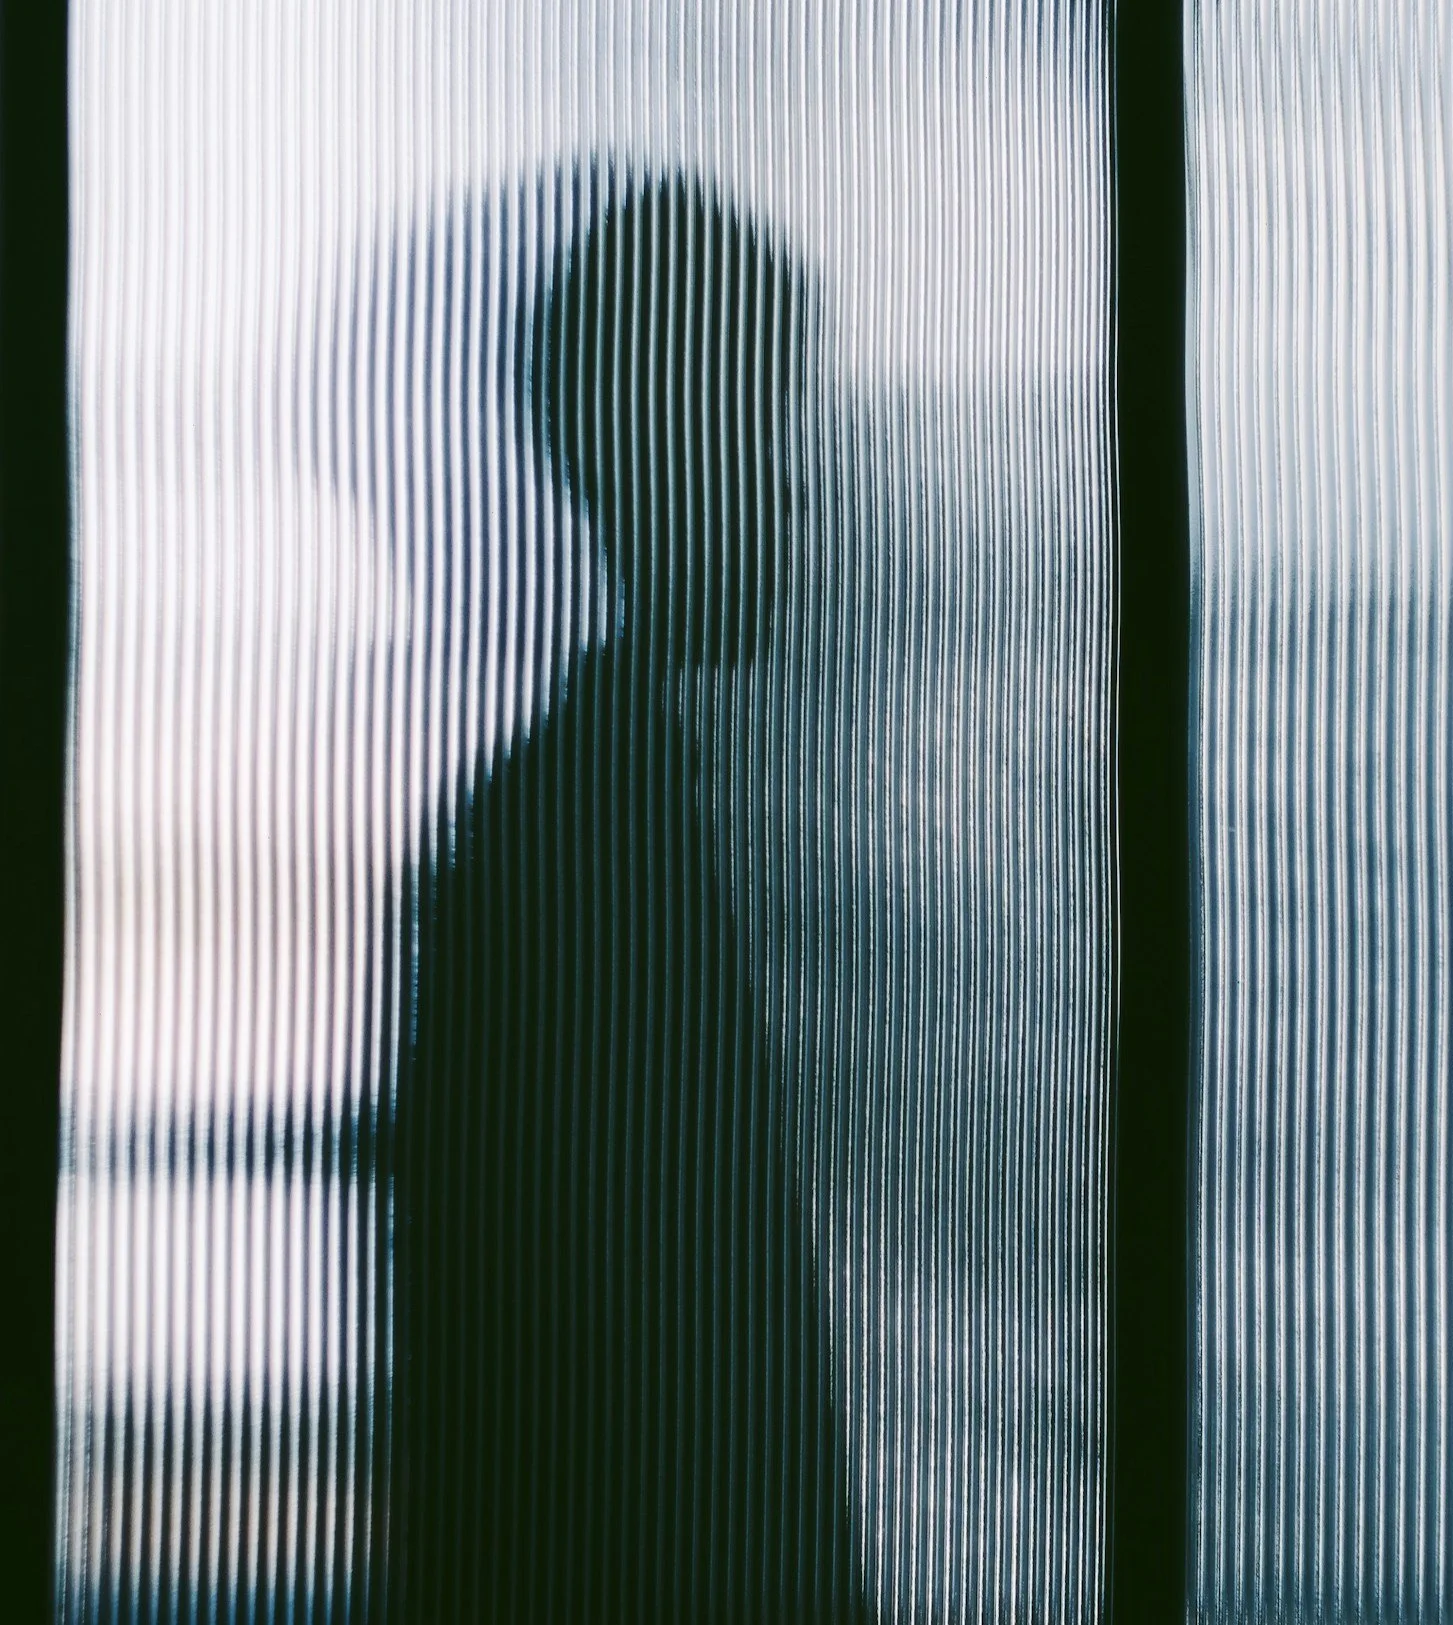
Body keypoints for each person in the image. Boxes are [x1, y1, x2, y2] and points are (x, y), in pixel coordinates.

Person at [385, 172, 860, 1622]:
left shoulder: (593, 808)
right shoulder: (588, 851)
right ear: (655, 449)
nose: (794, 487)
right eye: (762, 428)